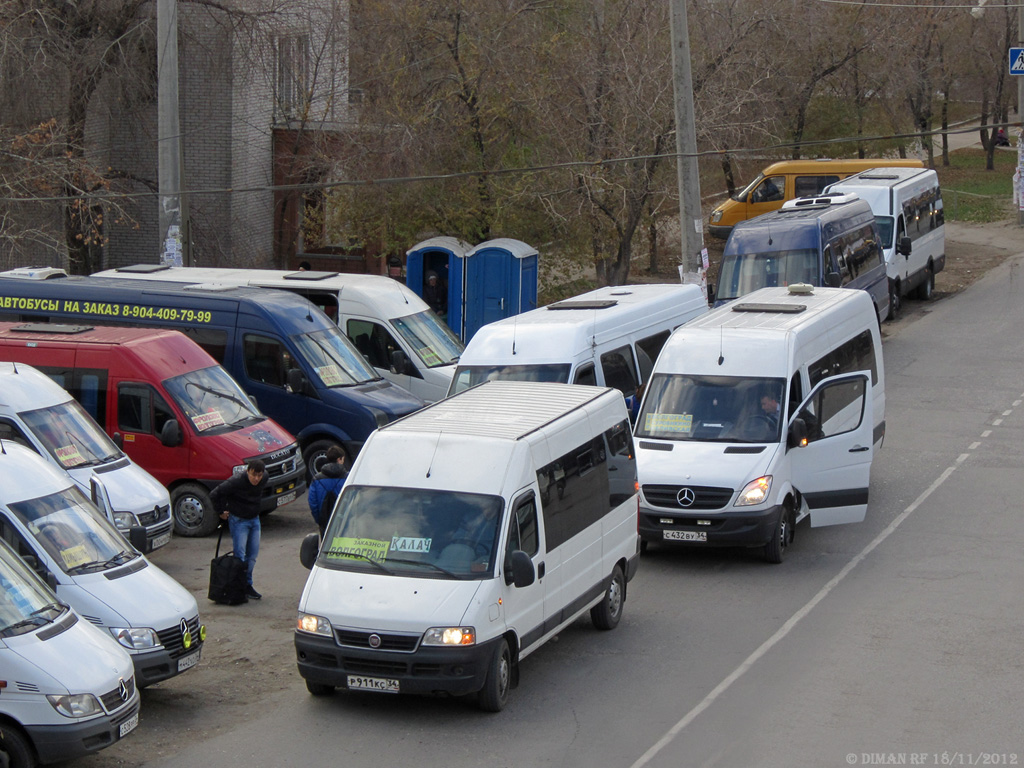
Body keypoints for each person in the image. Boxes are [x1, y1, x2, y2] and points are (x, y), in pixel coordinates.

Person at [211, 459, 266, 600]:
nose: (256, 479)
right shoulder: (236, 481)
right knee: (239, 556)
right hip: (239, 521)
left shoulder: (265, 478)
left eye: (259, 475)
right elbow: (215, 494)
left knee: (252, 556)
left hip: (254, 520)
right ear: (247, 471)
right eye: (253, 475)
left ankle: (247, 585)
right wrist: (221, 511)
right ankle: (237, 587)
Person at [307, 446, 347, 538]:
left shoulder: (317, 479)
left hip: (324, 520)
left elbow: (313, 502)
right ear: (339, 459)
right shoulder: (347, 478)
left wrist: (319, 520)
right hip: (343, 521)